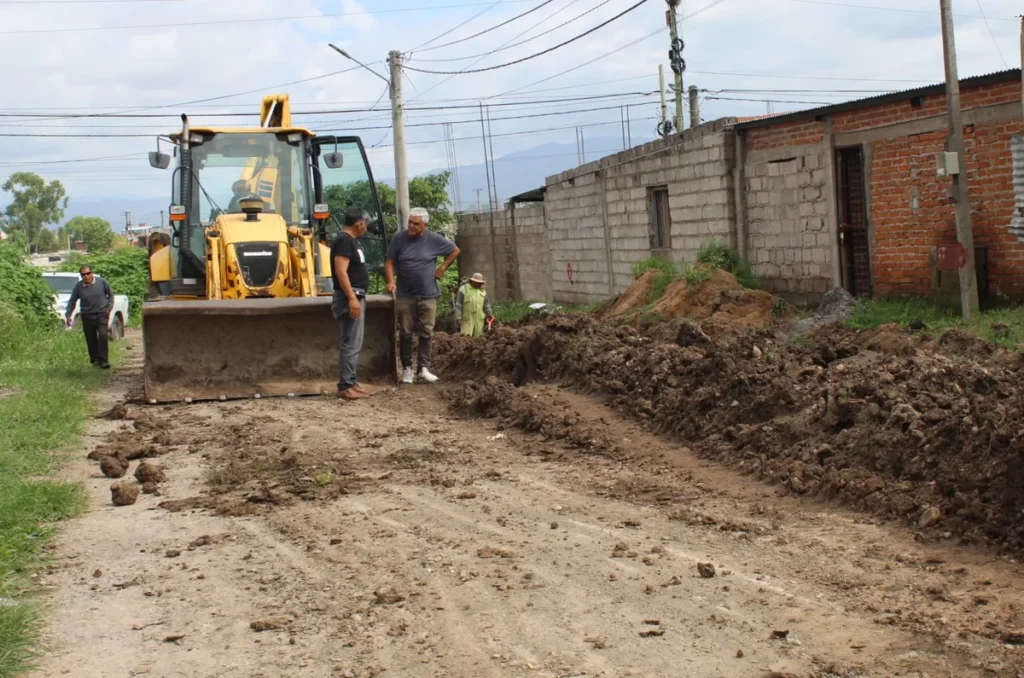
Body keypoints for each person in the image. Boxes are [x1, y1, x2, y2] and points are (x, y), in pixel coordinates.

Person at [384, 207, 460, 384]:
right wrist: (390, 281)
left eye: (416, 224)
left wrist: (442, 268)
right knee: (405, 332)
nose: (411, 226)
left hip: (427, 295)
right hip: (405, 295)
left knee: (426, 332)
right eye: (410, 222)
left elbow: (455, 250)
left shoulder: (433, 239)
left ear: (424, 225)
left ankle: (423, 368)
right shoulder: (399, 239)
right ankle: (407, 369)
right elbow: (389, 262)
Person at [330, 206, 374, 401]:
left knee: (354, 342)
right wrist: (352, 298)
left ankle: (352, 382)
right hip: (351, 297)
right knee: (350, 342)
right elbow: (341, 271)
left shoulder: (351, 241)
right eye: (366, 225)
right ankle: (345, 386)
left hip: (356, 295)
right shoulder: (343, 241)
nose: (366, 229)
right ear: (359, 223)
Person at [65, 265, 113, 369]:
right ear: (81, 276)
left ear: (92, 273)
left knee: (103, 335)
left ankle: (103, 360)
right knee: (91, 338)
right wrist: (68, 315)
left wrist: (108, 308)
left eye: (88, 273)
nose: (86, 276)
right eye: (83, 274)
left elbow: (110, 295)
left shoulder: (102, 282)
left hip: (102, 314)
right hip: (87, 315)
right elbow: (72, 301)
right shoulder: (78, 287)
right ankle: (95, 359)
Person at [453, 272, 494, 337]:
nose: (478, 284)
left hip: (479, 319)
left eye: (479, 283)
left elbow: (487, 305)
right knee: (466, 338)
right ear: (472, 281)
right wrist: (458, 316)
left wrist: (490, 314)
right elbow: (458, 305)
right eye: (476, 282)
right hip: (467, 319)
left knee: (479, 339)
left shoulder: (482, 291)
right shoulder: (463, 289)